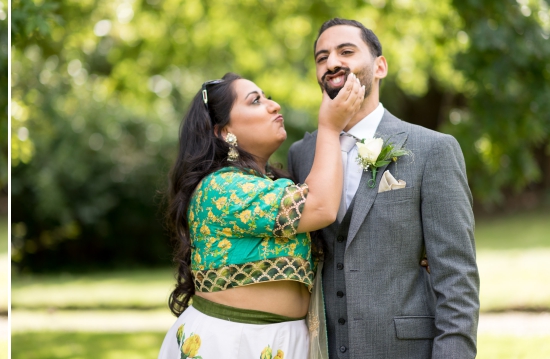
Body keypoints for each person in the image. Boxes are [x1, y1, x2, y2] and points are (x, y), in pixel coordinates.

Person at [287, 18, 479, 359]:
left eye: (346, 51)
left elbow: (456, 278)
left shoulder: (432, 149)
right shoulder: (302, 155)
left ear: (380, 66)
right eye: (322, 57)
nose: (332, 62)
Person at [160, 71, 365, 359]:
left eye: (266, 96)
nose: (274, 105)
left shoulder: (270, 185)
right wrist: (330, 128)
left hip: (288, 341)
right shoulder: (221, 188)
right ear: (223, 131)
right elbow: (321, 207)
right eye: (256, 101)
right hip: (234, 343)